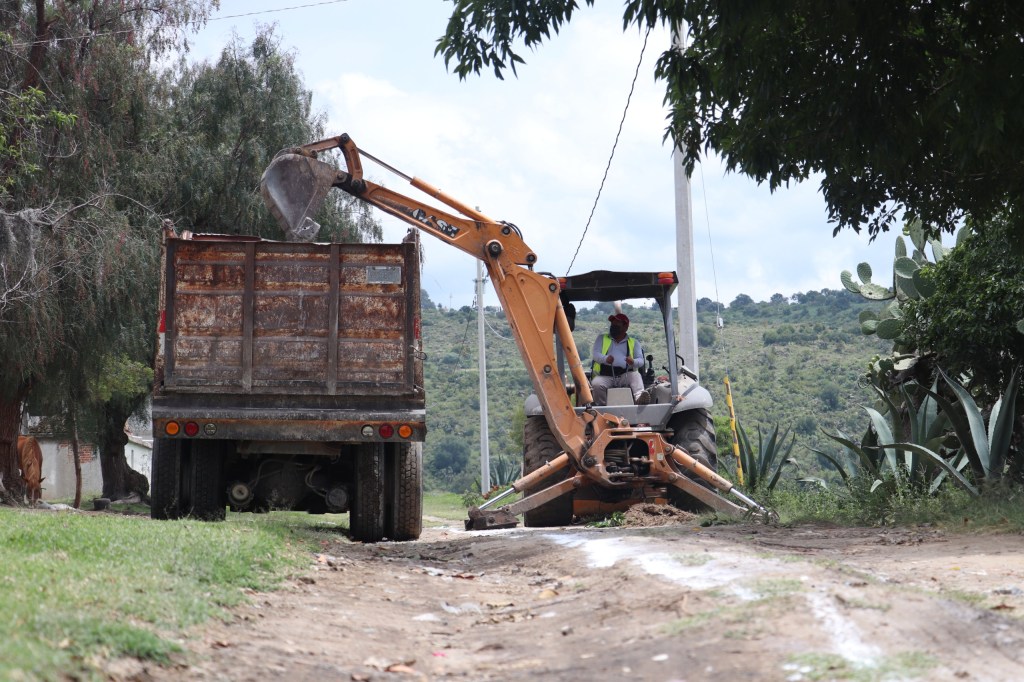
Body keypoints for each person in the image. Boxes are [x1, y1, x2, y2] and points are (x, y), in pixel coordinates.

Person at [590, 313, 649, 406]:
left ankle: (639, 399)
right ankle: (601, 407)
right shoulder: (601, 338)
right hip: (605, 375)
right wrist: (605, 359)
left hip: (625, 375)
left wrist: (633, 362)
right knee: (596, 384)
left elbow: (641, 361)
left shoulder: (634, 342)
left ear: (625, 327)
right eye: (612, 324)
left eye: (616, 324)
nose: (613, 326)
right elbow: (595, 354)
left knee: (636, 376)